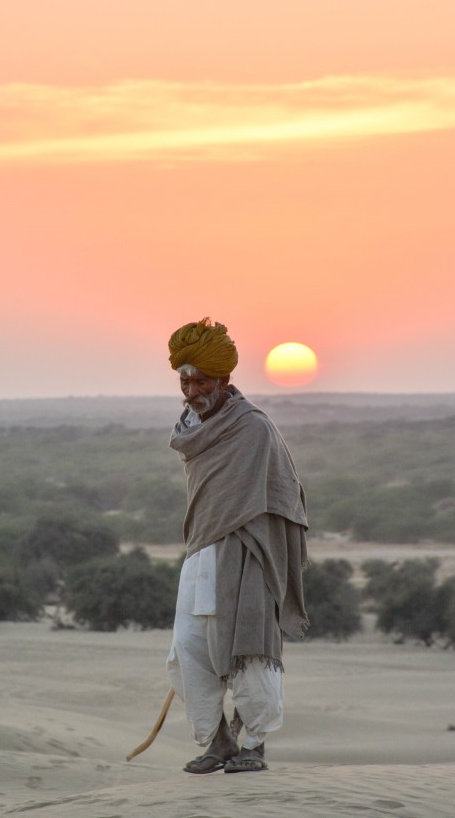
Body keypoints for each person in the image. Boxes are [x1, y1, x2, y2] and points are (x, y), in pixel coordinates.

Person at [166, 317, 308, 774]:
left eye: (201, 380)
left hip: (248, 551)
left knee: (248, 647)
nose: (191, 389)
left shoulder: (253, 428)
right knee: (190, 648)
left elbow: (284, 496)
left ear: (224, 379)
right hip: (201, 552)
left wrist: (264, 550)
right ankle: (218, 741)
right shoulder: (191, 427)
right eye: (185, 380)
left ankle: (254, 745)